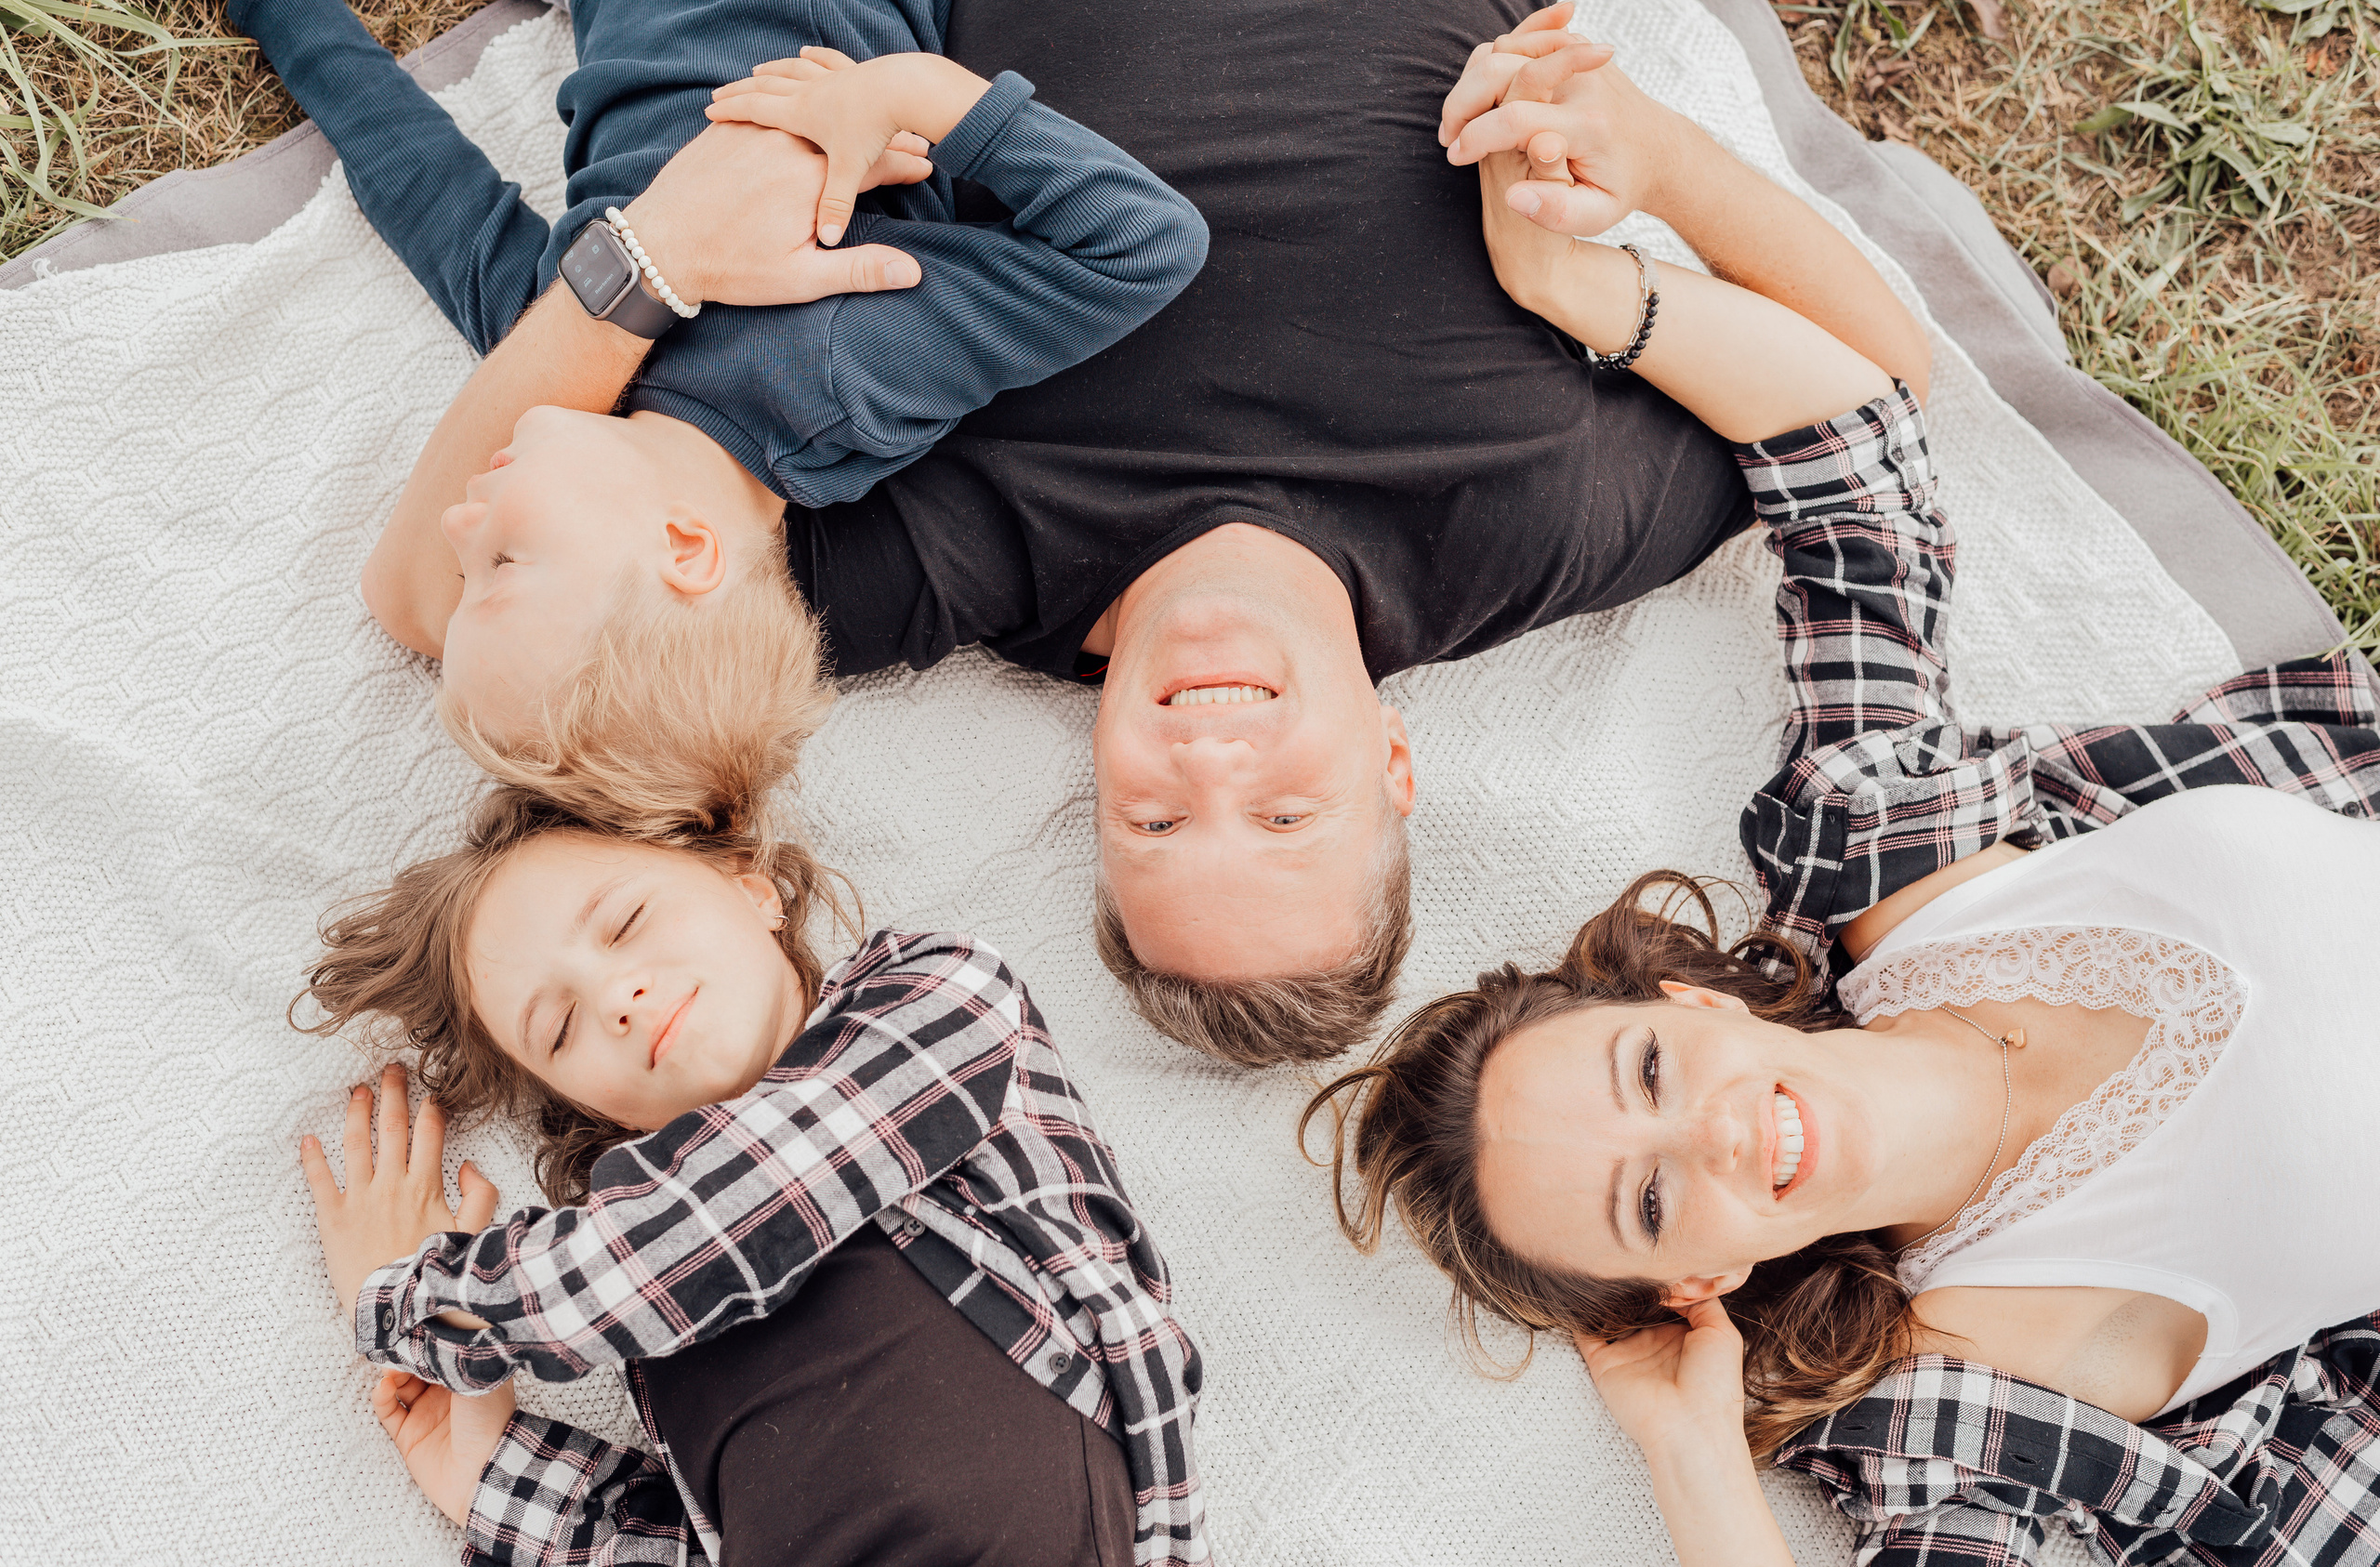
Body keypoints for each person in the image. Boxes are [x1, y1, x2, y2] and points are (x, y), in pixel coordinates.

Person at [310, 0, 1938, 1065]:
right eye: (1286, 812)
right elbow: (1878, 390)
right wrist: (1633, 212)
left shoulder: (948, 568)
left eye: (1154, 829)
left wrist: (644, 258)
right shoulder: (1531, 527)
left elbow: (459, 590)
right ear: (1392, 764)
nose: (1208, 767)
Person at [1308, 44, 2380, 1567]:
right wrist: (1691, 1450)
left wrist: (1600, 255)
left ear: (1689, 995)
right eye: (1653, 1190)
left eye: (1656, 1065)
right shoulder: (1961, 1376)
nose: (1717, 1124)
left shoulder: (1881, 855)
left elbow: (1851, 452)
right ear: (1699, 1277)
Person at [229, 0, 1210, 836]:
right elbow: (1141, 248)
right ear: (688, 550)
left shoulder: (574, 359)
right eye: (503, 562)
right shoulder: (860, 361)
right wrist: (909, 97)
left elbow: (427, 193)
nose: (455, 521)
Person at [293, 787, 1208, 1567]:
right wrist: (494, 1467)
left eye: (624, 922)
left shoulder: (941, 997)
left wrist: (411, 1300)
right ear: (580, 1099)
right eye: (562, 1025)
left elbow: (703, 1232)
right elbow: (708, 1560)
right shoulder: (655, 1332)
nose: (616, 995)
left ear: (749, 881)